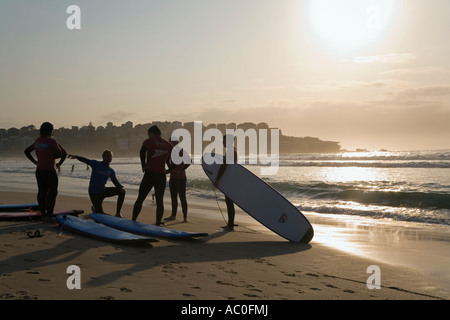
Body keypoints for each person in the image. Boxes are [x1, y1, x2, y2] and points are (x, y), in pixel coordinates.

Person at [24, 122, 67, 221]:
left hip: (39, 171)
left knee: (42, 191)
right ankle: (50, 213)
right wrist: (57, 162)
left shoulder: (38, 141)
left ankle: (43, 213)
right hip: (50, 171)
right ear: (50, 130)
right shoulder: (52, 141)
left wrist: (35, 161)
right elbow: (60, 154)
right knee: (53, 192)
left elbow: (26, 151)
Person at [132, 125, 173, 225]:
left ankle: (133, 220)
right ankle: (158, 223)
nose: (148, 136)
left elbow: (142, 151)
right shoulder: (168, 145)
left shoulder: (149, 141)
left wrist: (143, 165)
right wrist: (170, 169)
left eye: (148, 134)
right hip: (161, 176)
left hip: (150, 174)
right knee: (159, 201)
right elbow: (172, 160)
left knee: (140, 198)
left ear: (152, 133)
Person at [68, 150, 125, 217]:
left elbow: (115, 182)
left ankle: (118, 213)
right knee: (100, 214)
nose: (109, 157)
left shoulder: (111, 171)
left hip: (102, 191)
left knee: (122, 192)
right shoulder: (96, 164)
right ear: (103, 157)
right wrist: (76, 157)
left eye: (110, 156)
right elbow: (86, 160)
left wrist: (121, 187)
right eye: (107, 156)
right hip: (94, 193)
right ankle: (95, 208)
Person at [214, 134, 238, 231]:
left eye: (223, 141)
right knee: (229, 202)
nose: (222, 143)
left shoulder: (230, 152)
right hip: (231, 179)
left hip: (230, 181)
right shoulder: (233, 151)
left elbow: (224, 166)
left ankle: (230, 225)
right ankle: (230, 223)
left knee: (229, 202)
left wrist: (217, 180)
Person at [164, 136, 191, 223]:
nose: (169, 144)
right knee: (173, 197)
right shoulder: (170, 150)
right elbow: (167, 160)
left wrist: (181, 170)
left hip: (181, 177)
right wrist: (169, 169)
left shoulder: (181, 150)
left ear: (176, 142)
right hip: (173, 177)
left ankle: (185, 217)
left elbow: (189, 161)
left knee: (182, 197)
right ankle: (173, 215)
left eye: (171, 142)